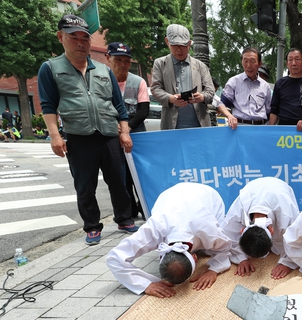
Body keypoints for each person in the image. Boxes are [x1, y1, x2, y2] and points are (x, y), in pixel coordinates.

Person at [38, 14, 138, 246]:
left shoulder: (104, 71)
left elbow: (118, 105)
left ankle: (124, 219)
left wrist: (124, 131)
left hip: (108, 134)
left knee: (119, 181)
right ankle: (92, 227)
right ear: (60, 37)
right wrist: (55, 136)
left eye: (86, 38)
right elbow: (48, 105)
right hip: (78, 136)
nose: (81, 43)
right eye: (75, 38)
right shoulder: (50, 68)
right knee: (85, 185)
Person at [106, 183, 233, 298]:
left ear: (195, 257)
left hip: (207, 194)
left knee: (209, 249)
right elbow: (114, 259)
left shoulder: (209, 230)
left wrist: (214, 269)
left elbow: (225, 247)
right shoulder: (153, 229)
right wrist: (145, 285)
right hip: (169, 196)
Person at [223, 177, 300, 280]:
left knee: (288, 237)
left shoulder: (287, 214)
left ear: (272, 230)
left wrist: (288, 263)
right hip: (253, 188)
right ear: (242, 230)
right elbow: (229, 237)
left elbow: (297, 239)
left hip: (279, 188)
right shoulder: (237, 212)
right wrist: (241, 259)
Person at [106, 41, 148, 219]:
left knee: (140, 174)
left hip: (136, 135)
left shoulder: (138, 82)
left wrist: (126, 129)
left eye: (127, 61)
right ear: (109, 58)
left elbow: (143, 110)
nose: (123, 64)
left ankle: (145, 207)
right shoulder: (102, 80)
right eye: (118, 60)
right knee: (119, 176)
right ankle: (126, 213)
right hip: (111, 135)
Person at [151, 24, 215, 130]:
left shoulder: (200, 66)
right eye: (175, 45)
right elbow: (155, 88)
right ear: (167, 42)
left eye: (183, 45)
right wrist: (170, 98)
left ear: (189, 44)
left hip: (199, 124)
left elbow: (210, 90)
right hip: (171, 125)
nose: (179, 49)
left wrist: (202, 97)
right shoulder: (160, 63)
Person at [220, 47, 272, 129]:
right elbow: (221, 104)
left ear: (259, 64)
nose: (248, 65)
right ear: (241, 62)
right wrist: (229, 116)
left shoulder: (265, 86)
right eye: (245, 61)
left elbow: (269, 111)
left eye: (252, 61)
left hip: (261, 128)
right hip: (239, 128)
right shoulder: (234, 82)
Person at [269, 49, 302, 130]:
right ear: (287, 64)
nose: (294, 63)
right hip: (283, 129)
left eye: (297, 59)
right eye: (290, 60)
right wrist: (270, 130)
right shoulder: (280, 83)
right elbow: (274, 110)